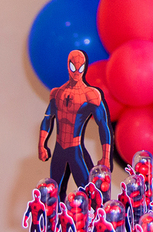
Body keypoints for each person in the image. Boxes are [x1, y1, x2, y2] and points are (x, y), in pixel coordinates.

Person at [39, 49, 112, 195]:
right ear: (68, 66)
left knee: (90, 193)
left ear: (84, 67)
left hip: (75, 149)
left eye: (80, 68)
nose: (77, 72)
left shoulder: (90, 95)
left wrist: (106, 156)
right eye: (73, 67)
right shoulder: (57, 93)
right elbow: (47, 118)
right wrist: (42, 145)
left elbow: (103, 124)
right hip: (59, 149)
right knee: (54, 193)